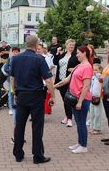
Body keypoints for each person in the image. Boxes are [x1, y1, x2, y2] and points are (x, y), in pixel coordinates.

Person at [10, 35, 55, 164]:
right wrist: (53, 96)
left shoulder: (16, 58)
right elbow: (48, 80)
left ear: (26, 44)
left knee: (20, 126)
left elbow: (12, 78)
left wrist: (14, 93)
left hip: (21, 95)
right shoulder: (39, 59)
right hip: (36, 96)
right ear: (36, 45)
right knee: (37, 126)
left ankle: (18, 154)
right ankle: (37, 155)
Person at [54, 46, 93, 154]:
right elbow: (67, 79)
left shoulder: (87, 67)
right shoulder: (79, 66)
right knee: (79, 121)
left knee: (81, 123)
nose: (77, 55)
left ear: (84, 53)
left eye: (78, 53)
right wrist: (53, 86)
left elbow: (86, 87)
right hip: (75, 98)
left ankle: (83, 146)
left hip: (82, 99)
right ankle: (80, 143)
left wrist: (80, 101)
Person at [54, 39, 79, 127]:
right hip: (61, 80)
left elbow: (80, 65)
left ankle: (69, 119)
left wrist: (74, 69)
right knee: (64, 99)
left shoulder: (76, 55)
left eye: (73, 45)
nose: (71, 46)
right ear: (66, 45)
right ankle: (67, 115)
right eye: (70, 45)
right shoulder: (63, 54)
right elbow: (55, 63)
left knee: (68, 99)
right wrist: (57, 53)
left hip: (70, 80)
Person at [89, 64, 104, 135]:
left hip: (98, 97)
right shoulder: (93, 77)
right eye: (93, 70)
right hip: (92, 96)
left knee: (97, 113)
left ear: (100, 71)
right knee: (92, 113)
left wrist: (98, 74)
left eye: (96, 70)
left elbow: (100, 79)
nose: (94, 71)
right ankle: (92, 127)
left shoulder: (99, 77)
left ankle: (97, 128)